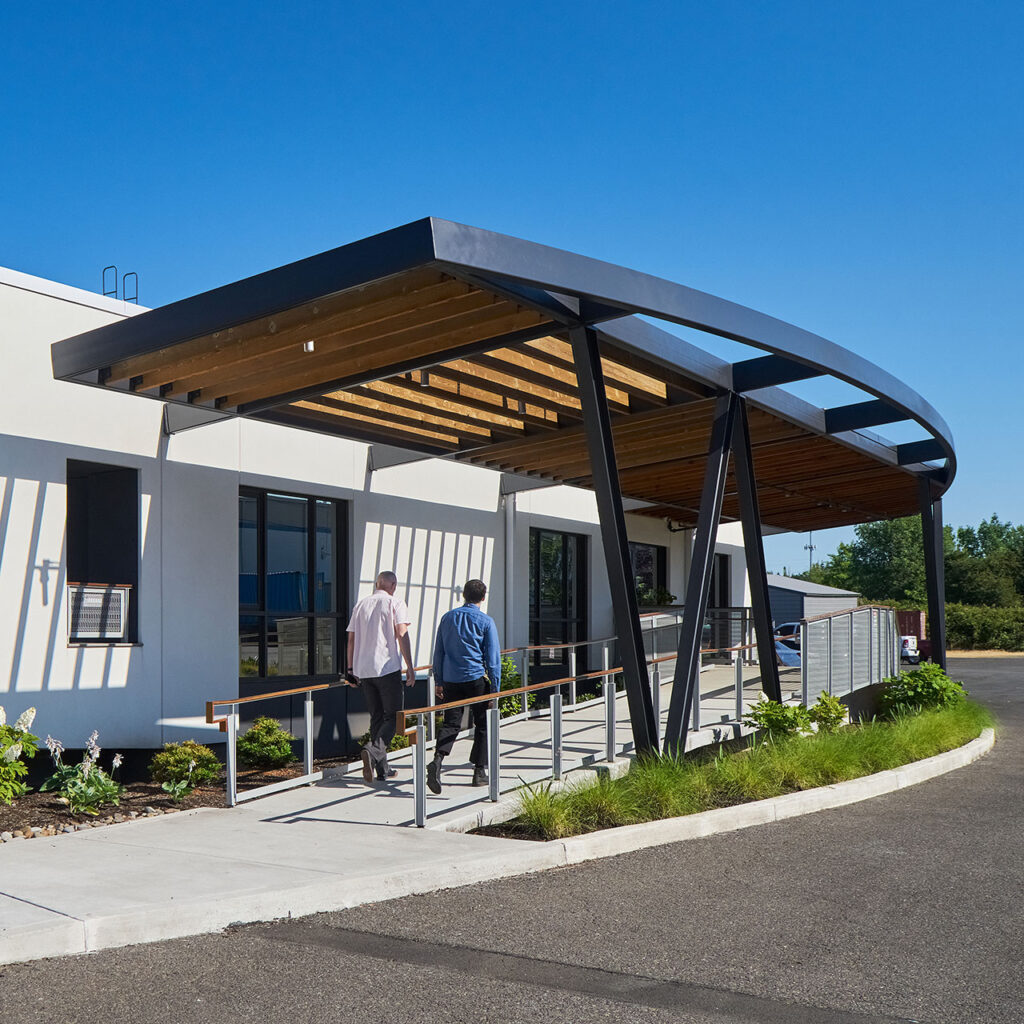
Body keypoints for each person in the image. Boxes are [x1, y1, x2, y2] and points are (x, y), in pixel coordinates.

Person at [427, 578, 501, 793]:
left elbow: (439, 652)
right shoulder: (486, 621)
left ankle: (438, 760)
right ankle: (479, 771)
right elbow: (493, 659)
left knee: (451, 722)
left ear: (464, 595)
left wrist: (438, 681)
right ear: (483, 597)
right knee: (483, 724)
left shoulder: (448, 618)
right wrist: (494, 690)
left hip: (451, 679)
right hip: (475, 679)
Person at [346, 571, 415, 783]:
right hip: (386, 668)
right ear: (392, 584)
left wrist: (350, 669)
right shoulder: (395, 603)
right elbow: (401, 634)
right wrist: (410, 667)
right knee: (394, 718)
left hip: (364, 671)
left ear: (377, 584)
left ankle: (383, 769)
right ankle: (373, 750)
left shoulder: (360, 605)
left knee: (377, 717)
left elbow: (351, 640)